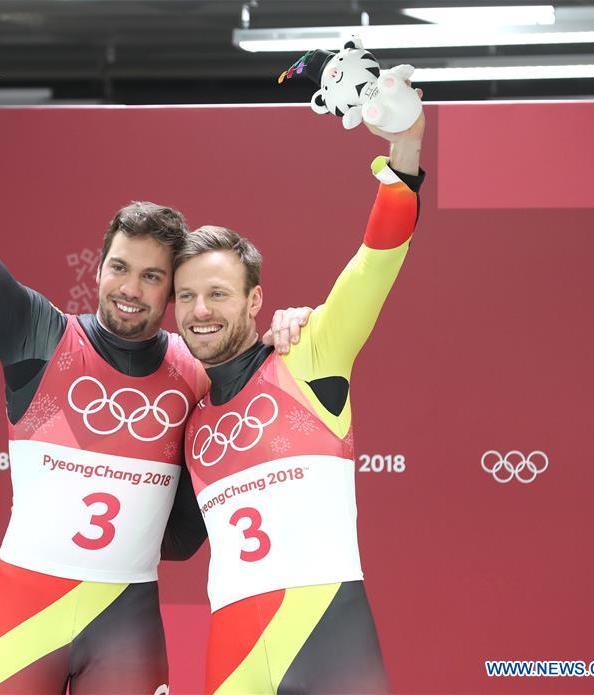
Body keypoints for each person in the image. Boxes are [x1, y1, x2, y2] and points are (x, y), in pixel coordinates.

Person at [0, 70, 309, 695]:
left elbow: (261, 378)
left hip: (128, 625)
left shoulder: (195, 371)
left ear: (172, 291)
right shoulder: (39, 337)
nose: (131, 289)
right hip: (25, 616)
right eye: (120, 268)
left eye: (152, 277)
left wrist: (295, 324)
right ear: (97, 268)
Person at [172, 103, 425, 694]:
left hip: (330, 639)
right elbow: (168, 540)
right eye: (186, 296)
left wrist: (406, 150)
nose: (200, 310)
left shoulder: (309, 354)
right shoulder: (188, 415)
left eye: (218, 293)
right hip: (232, 656)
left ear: (255, 300)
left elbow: (376, 262)